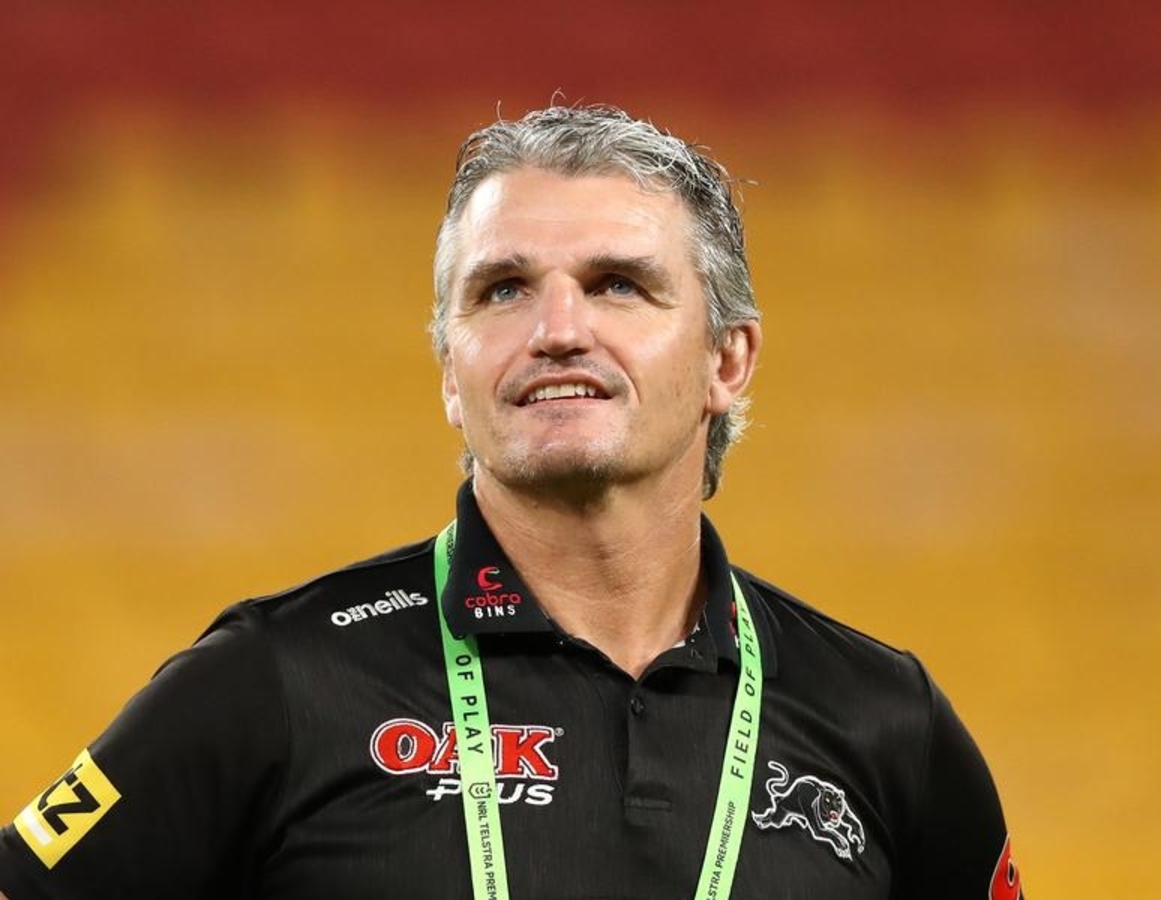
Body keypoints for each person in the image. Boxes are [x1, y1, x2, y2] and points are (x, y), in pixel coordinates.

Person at [0, 104, 1024, 899]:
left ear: (727, 359)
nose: (558, 330)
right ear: (452, 372)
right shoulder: (273, 682)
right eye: (503, 290)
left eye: (618, 284)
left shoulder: (887, 723)